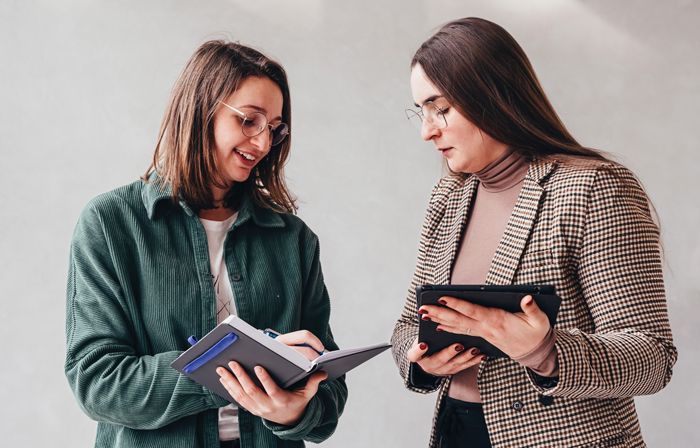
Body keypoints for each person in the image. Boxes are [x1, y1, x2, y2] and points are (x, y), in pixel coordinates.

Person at [391, 17, 677, 448]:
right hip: (457, 430)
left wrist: (544, 351)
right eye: (422, 111)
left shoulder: (595, 187)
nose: (427, 131)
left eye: (441, 108)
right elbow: (407, 326)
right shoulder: (448, 197)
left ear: (492, 95)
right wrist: (421, 362)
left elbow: (653, 357)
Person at [64, 41, 347, 448]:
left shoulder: (293, 239)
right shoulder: (110, 225)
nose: (264, 143)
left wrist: (296, 411)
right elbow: (98, 383)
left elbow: (328, 397)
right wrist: (233, 372)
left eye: (274, 128)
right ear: (201, 110)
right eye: (250, 121)